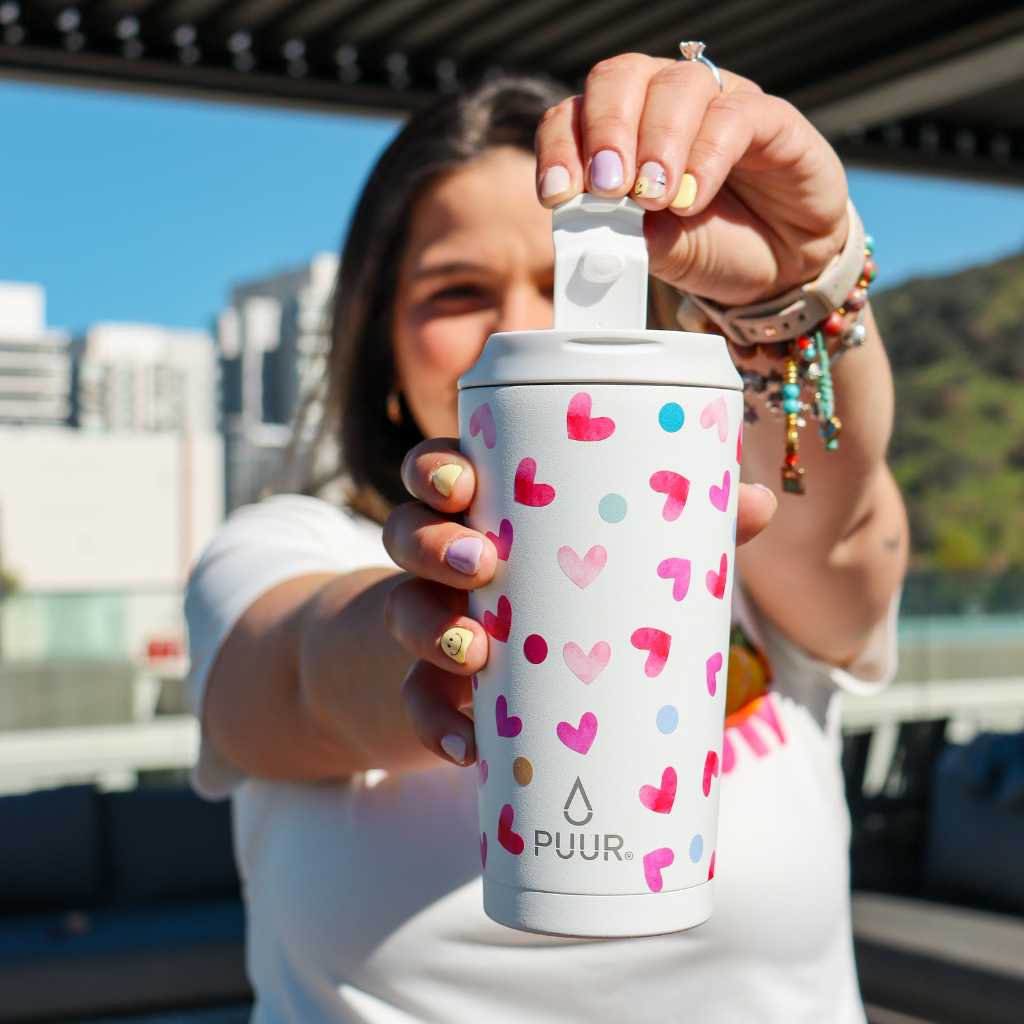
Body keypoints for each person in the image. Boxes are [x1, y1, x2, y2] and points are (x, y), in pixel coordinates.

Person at [185, 52, 908, 1023]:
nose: (524, 322)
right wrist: (439, 625)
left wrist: (801, 285)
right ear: (381, 342)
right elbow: (298, 677)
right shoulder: (279, 545)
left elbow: (838, 510)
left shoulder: (734, 542)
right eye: (456, 291)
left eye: (557, 275)